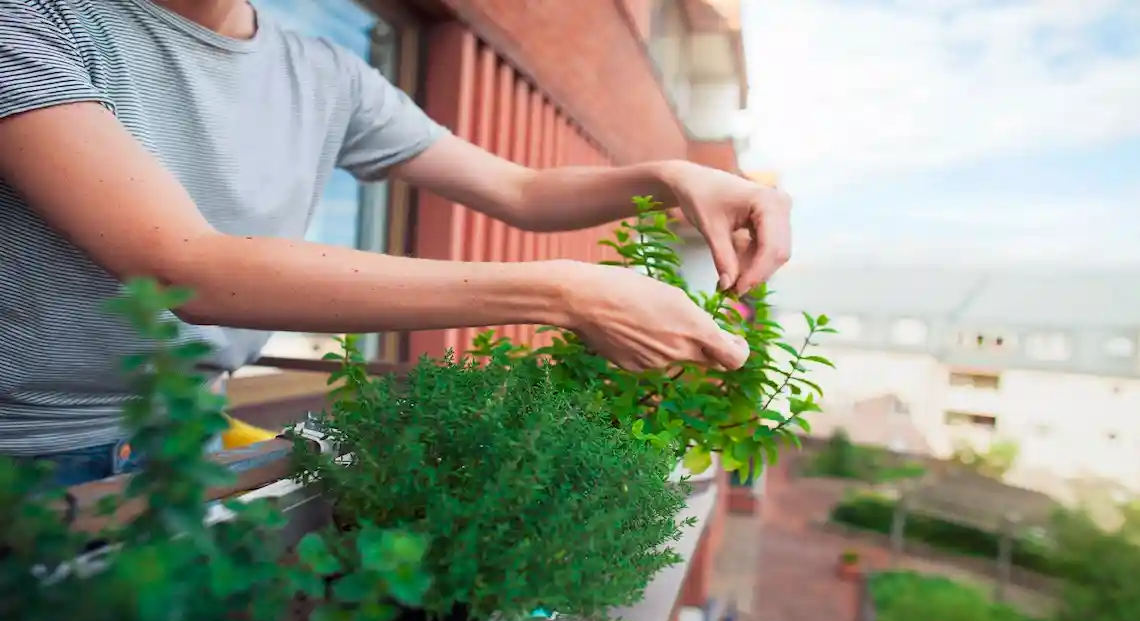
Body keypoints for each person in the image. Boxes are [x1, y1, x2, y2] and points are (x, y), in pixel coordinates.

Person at [0, 0, 792, 485]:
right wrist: (564, 293)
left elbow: (518, 191)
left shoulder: (325, 73)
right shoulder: (32, 22)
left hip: (187, 443)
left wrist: (671, 175)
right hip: (32, 465)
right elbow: (183, 264)